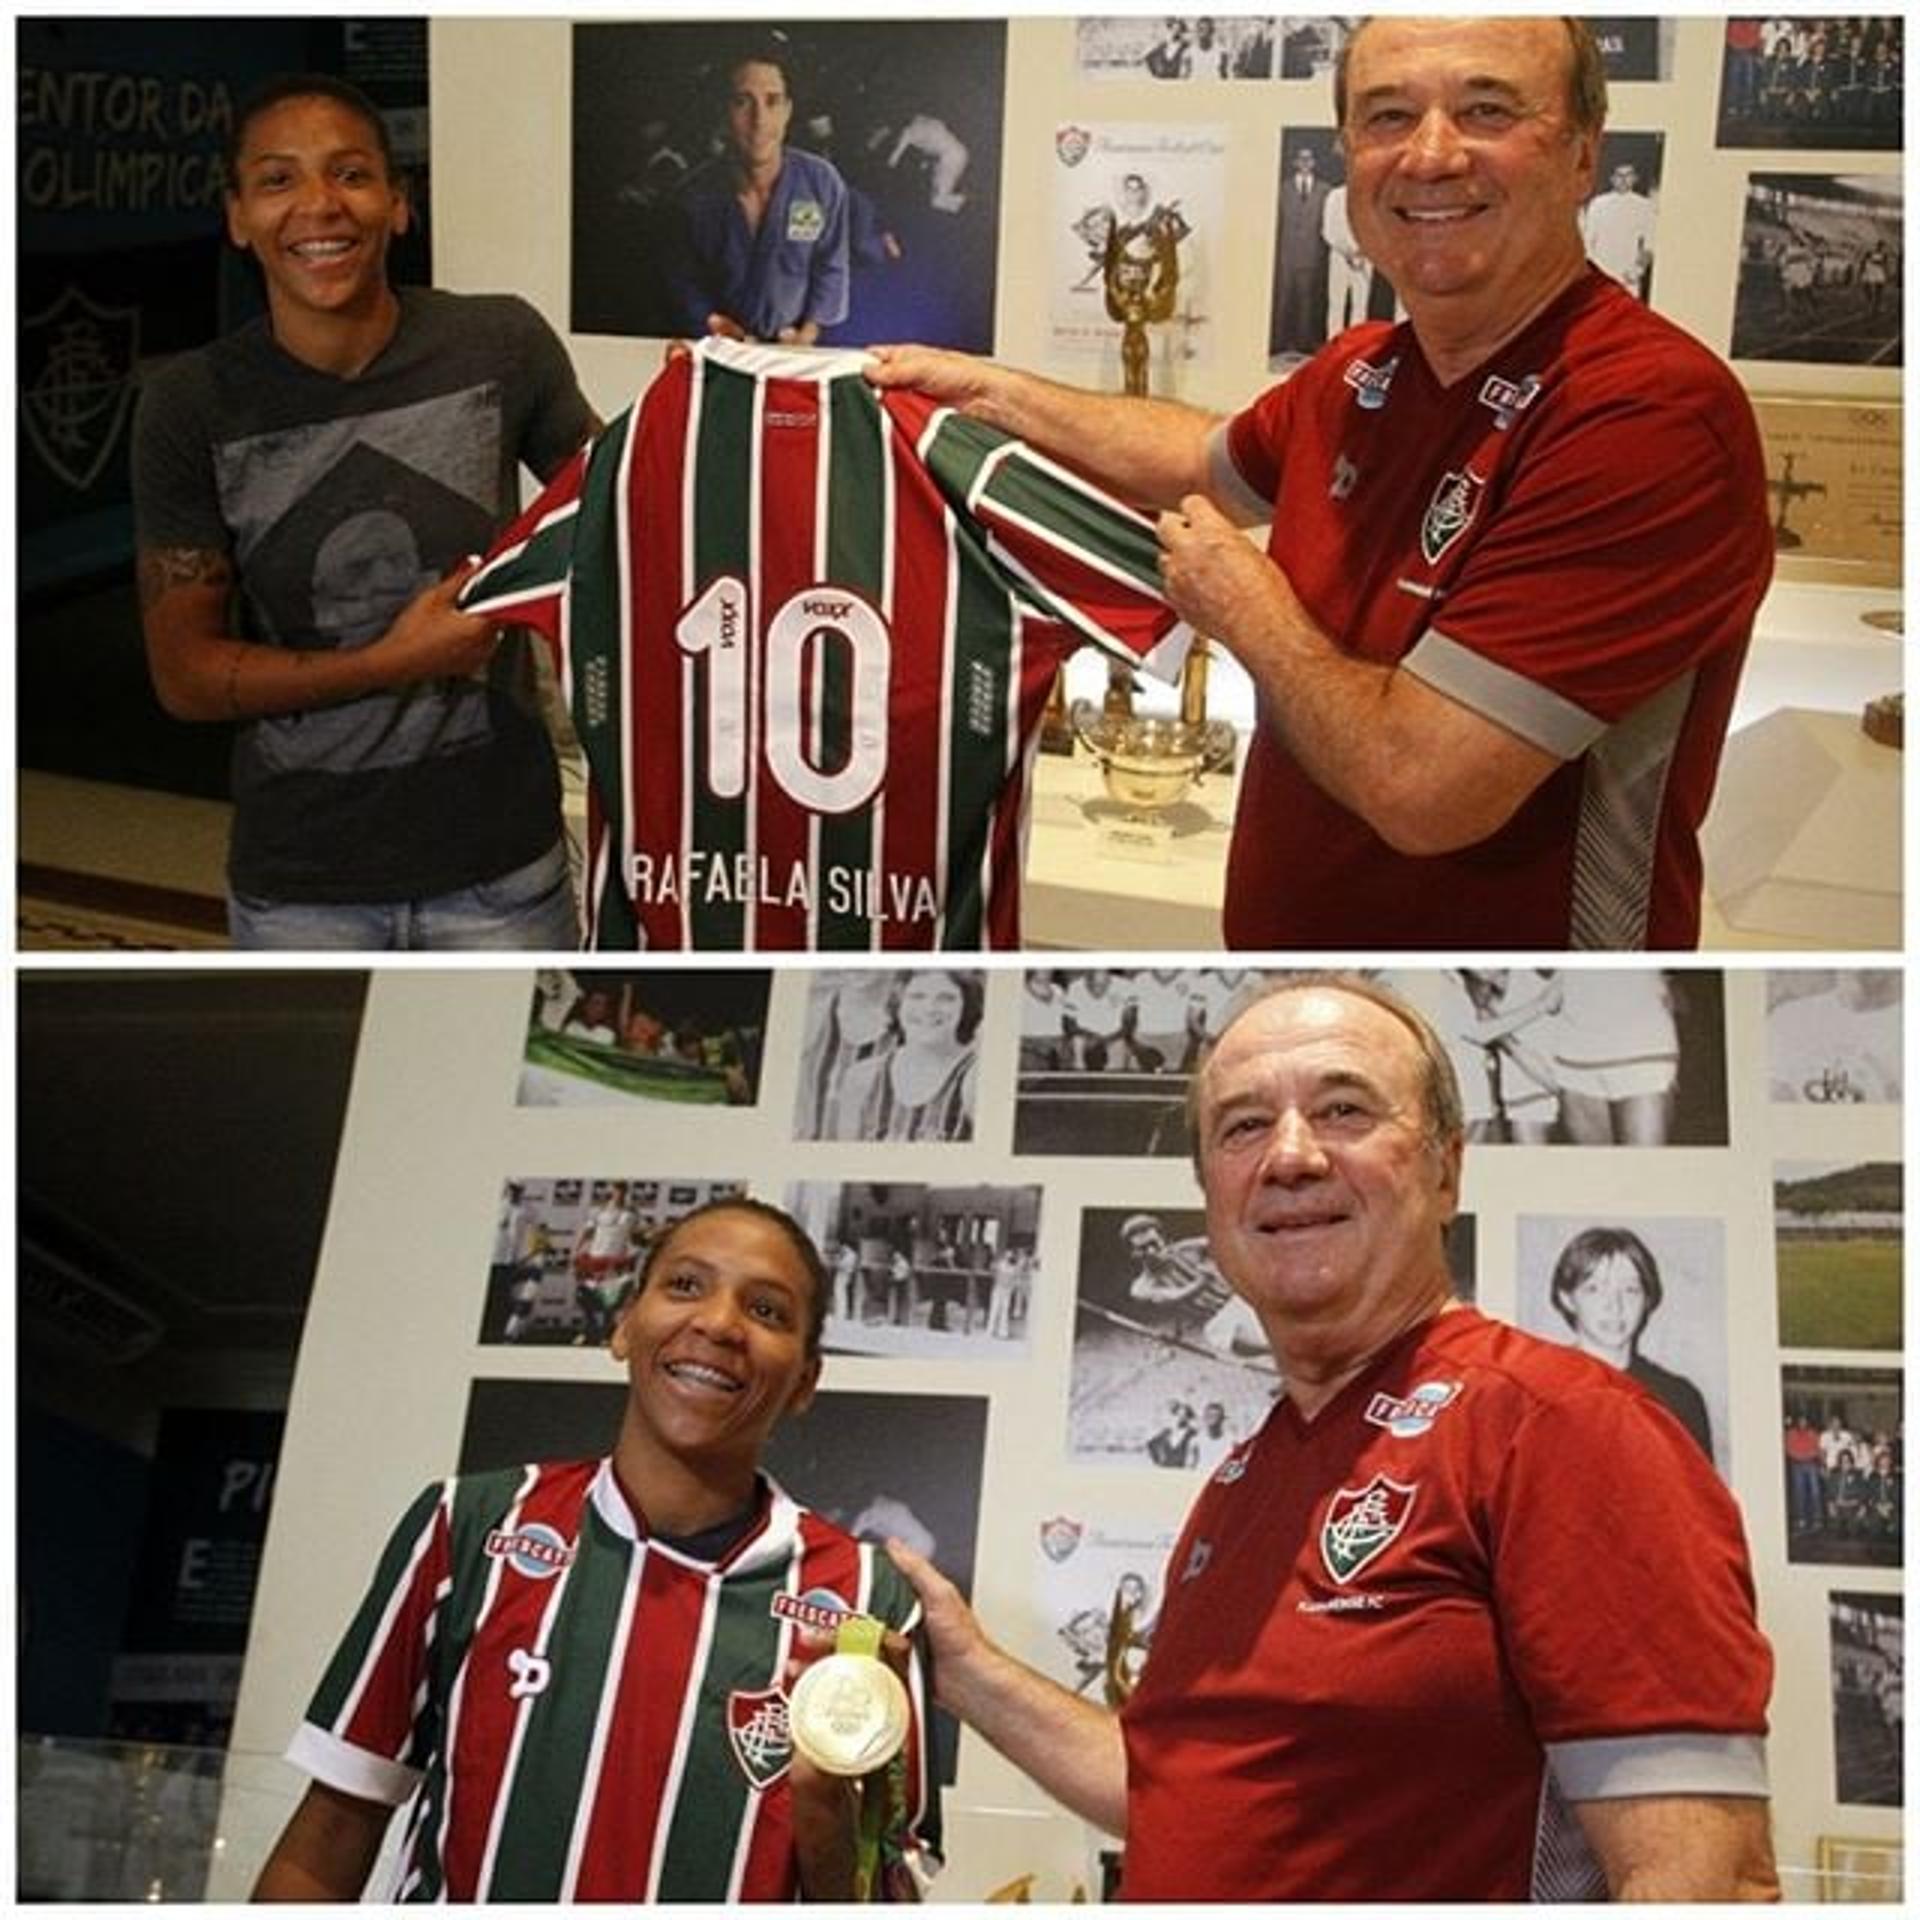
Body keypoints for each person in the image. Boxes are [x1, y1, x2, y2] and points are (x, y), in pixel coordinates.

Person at [865, 17, 1772, 950]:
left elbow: (1420, 790)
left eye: (1486, 109)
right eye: (1388, 117)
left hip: (1513, 1008)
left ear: (1585, 153)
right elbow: (1195, 461)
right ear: (1349, 156)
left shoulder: (1646, 417)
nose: (1430, 154)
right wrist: (992, 391)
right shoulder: (1363, 368)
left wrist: (1245, 610)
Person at [882, 976, 1777, 1900]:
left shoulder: (1561, 1425)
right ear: (1211, 1196)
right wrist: (968, 1669)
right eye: (1242, 1127)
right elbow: (1182, 1789)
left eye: (1344, 1109)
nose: (1291, 1156)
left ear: (1447, 1171)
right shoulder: (1243, 1478)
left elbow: (1709, 1883)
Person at [253, 1198, 938, 1900]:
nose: (718, 1323)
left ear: (804, 1381)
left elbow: (881, 1896)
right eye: (685, 1286)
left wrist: (823, 1801)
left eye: (766, 1311)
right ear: (622, 1325)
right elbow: (331, 1833)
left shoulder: (866, 1599)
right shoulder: (469, 1526)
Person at [133, 74, 595, 950]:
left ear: (397, 203)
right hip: (304, 885)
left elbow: (624, 515)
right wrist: (393, 661)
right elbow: (186, 676)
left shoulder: (500, 344)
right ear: (237, 216)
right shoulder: (189, 404)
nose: (319, 206)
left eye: (349, 175)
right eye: (277, 180)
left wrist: (714, 392)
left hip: (501, 871)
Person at [665, 44, 850, 345]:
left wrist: (808, 335)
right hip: (722, 352)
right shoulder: (693, 198)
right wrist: (713, 322)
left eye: (773, 101)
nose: (759, 120)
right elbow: (683, 280)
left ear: (788, 110)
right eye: (742, 102)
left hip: (799, 352)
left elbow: (831, 266)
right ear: (724, 112)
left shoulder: (821, 183)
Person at [1545, 1224, 1714, 1460]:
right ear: (1567, 1298)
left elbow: (1696, 1495)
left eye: (1630, 1290)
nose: (1614, 1305)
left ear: (1647, 1299)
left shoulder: (1680, 1398)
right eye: (1594, 1289)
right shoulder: (1536, 1392)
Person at [827, 970, 982, 1143]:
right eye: (917, 996)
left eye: (946, 998)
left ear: (966, 1005)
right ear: (898, 1003)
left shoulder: (974, 1077)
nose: (929, 1008)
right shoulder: (863, 1077)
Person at [1581, 158, 1656, 299]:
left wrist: (1637, 270)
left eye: (1628, 175)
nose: (1623, 180)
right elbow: (1588, 240)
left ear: (1634, 179)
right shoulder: (1598, 204)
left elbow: (1649, 245)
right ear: (1613, 179)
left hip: (1628, 276)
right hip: (1600, 273)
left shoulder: (1644, 206)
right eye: (1619, 176)